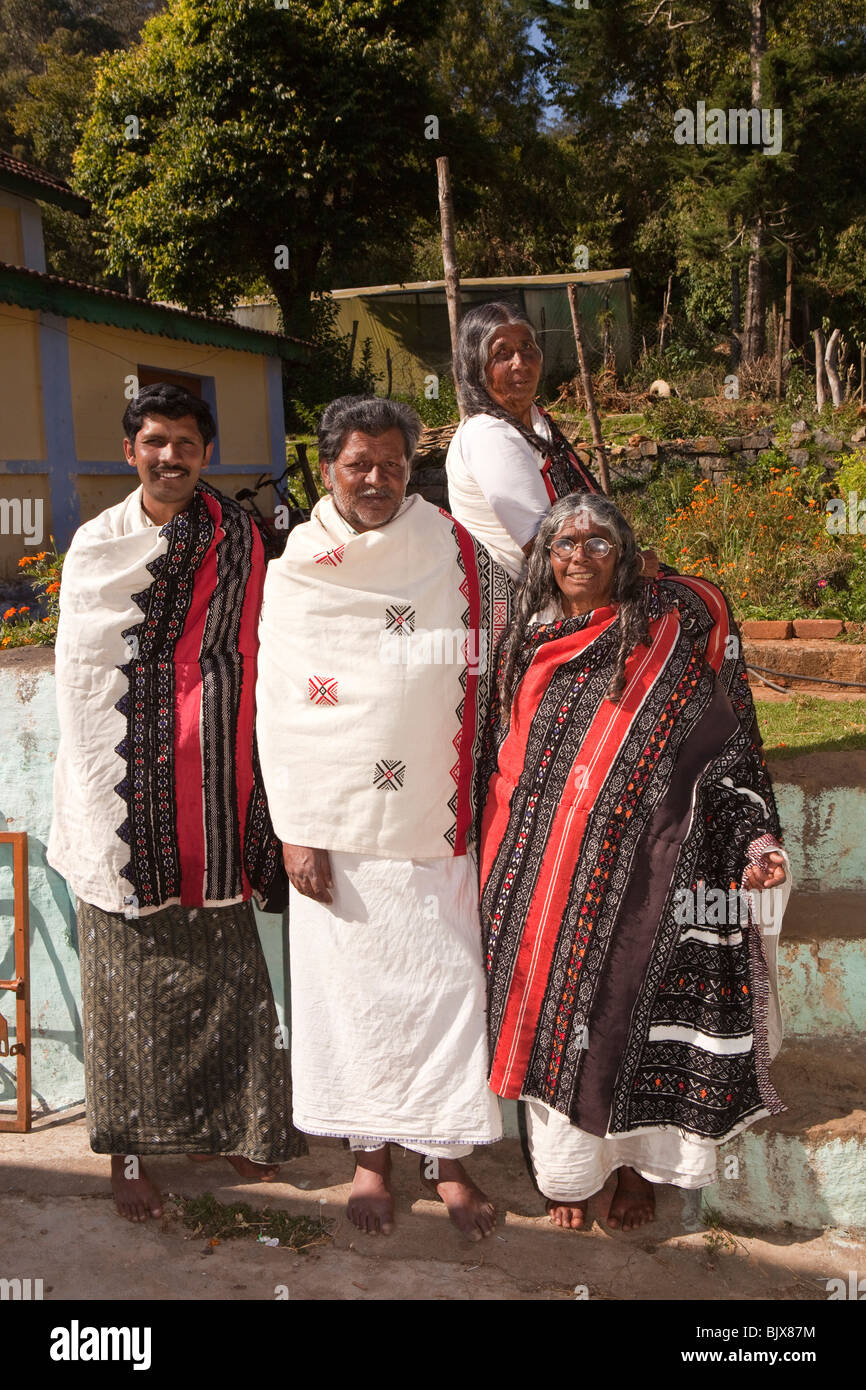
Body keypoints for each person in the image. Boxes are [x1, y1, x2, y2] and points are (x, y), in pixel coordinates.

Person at [478, 493, 790, 1232]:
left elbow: (728, 745)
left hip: (655, 869)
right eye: (563, 544)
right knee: (558, 1020)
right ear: (543, 559)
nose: (578, 557)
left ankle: (638, 1174)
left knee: (633, 1016)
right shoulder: (527, 639)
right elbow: (506, 751)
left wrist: (755, 841)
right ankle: (571, 1173)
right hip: (541, 873)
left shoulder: (672, 635)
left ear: (623, 553)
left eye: (596, 543)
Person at [256, 395, 513, 1241]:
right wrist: (296, 828)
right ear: (328, 465)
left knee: (446, 984)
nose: (377, 479)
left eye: (393, 464)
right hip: (335, 830)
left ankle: (448, 1158)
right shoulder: (298, 566)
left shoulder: (448, 549)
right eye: (359, 464)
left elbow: (496, 649)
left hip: (433, 817)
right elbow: (282, 706)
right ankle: (370, 1157)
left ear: (412, 467)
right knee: (349, 996)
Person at [48, 383, 304, 1222]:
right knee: (124, 986)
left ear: (206, 451)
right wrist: (105, 796)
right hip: (120, 807)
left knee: (229, 974)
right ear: (131, 452)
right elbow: (86, 681)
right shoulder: (97, 544)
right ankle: (125, 1153)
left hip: (213, 797)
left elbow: (279, 626)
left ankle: (233, 1125)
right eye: (155, 441)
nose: (169, 455)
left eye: (186, 442)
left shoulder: (236, 538)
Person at [446, 301, 602, 581]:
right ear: (476, 367)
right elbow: (546, 546)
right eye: (501, 353)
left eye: (527, 348)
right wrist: (629, 566)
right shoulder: (489, 435)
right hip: (527, 595)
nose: (519, 363)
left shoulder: (534, 421)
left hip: (575, 574)